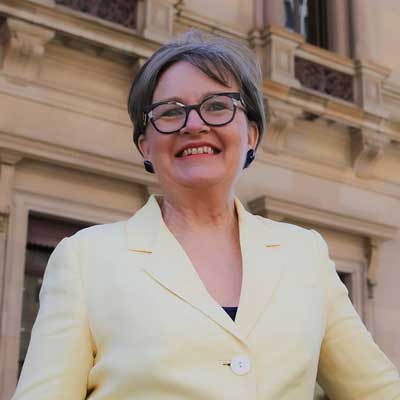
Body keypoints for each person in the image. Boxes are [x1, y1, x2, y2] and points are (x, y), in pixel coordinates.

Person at [12, 30, 400, 400]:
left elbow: (378, 391)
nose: (194, 125)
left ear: (250, 134)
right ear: (145, 145)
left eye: (217, 106)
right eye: (169, 112)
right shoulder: (84, 259)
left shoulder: (306, 254)